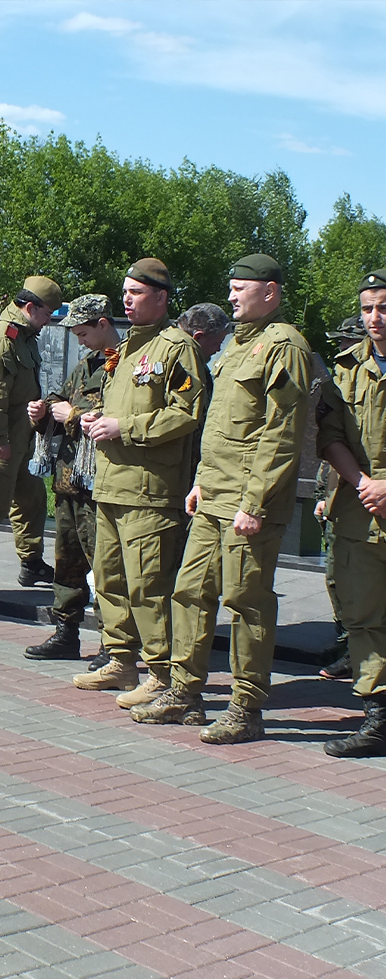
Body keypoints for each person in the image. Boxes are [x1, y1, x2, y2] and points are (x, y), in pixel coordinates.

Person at [132, 254, 312, 743]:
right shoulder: (237, 345)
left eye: (240, 287)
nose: (231, 295)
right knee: (189, 592)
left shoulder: (284, 345)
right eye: (230, 287)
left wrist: (255, 503)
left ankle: (245, 708)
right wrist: (200, 482)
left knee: (246, 601)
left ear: (269, 291)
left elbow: (281, 433)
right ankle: (185, 695)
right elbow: (219, 427)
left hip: (248, 502)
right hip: (214, 495)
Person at [74, 258, 209, 706]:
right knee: (109, 579)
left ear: (161, 297)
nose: (126, 301)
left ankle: (161, 672)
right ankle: (121, 660)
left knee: (147, 586)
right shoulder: (128, 347)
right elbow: (124, 405)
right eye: (125, 293)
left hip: (149, 490)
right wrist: (98, 418)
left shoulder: (177, 347)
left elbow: (185, 413)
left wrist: (123, 427)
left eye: (135, 293)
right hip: (111, 484)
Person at [24, 294, 119, 662]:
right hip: (69, 480)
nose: (80, 340)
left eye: (83, 333)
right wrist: (42, 410)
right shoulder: (87, 364)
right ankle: (66, 633)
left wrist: (73, 414)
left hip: (99, 483)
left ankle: (113, 644)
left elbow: (114, 415)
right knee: (67, 562)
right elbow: (59, 398)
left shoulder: (120, 364)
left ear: (102, 324)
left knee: (105, 567)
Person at [315, 269, 386, 756]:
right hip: (360, 508)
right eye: (367, 308)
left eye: (383, 307)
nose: (374, 317)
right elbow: (331, 436)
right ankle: (378, 718)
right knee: (363, 617)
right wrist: (364, 484)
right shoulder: (346, 367)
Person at [0, 276, 61, 599]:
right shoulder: (3, 339)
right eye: (47, 314)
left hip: (19, 439)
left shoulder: (25, 337)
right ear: (30, 307)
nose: (49, 321)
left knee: (32, 499)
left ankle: (31, 563)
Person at [314, 315, 364, 680]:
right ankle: (347, 644)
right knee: (337, 577)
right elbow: (329, 446)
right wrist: (323, 494)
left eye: (348, 341)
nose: (342, 348)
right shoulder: (342, 379)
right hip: (339, 497)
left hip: (363, 497)